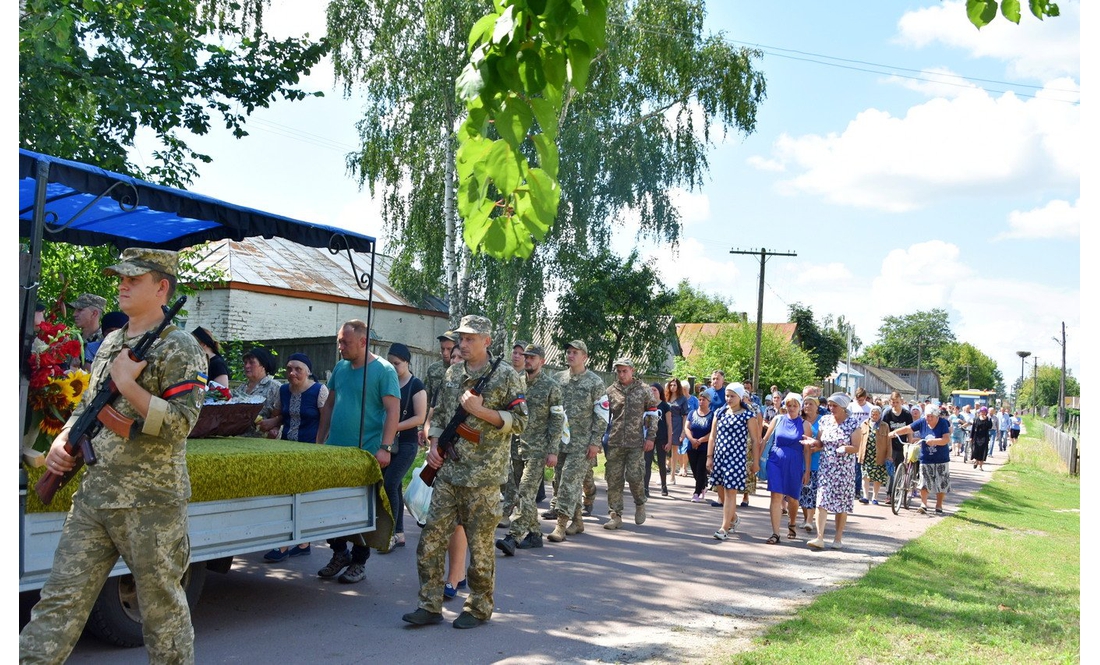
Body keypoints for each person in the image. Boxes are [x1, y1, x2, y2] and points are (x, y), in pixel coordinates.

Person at [21, 248, 206, 664]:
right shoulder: (110, 342)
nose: (121, 284)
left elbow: (181, 424)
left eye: (133, 279)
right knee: (58, 604)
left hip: (151, 503)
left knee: (163, 616)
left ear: (162, 288)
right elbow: (86, 406)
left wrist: (130, 386)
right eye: (120, 277)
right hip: (95, 497)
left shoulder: (180, 348)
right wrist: (63, 439)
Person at [402, 314, 527, 629]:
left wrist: (479, 411)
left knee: (481, 547)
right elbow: (442, 413)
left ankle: (479, 607)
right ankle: (429, 605)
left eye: (471, 338)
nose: (463, 343)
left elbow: (522, 421)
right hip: (448, 473)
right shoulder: (452, 373)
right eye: (461, 338)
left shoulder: (506, 376)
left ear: (487, 340)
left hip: (483, 479)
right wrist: (433, 443)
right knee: (429, 541)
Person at [314, 319, 400, 584]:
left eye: (345, 342)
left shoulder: (384, 370)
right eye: (340, 341)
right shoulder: (340, 368)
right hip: (334, 451)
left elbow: (393, 410)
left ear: (363, 342)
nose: (340, 347)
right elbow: (329, 405)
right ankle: (339, 553)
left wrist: (385, 448)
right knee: (329, 506)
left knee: (360, 510)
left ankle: (359, 560)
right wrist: (319, 442)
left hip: (365, 453)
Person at [259, 352, 329, 561]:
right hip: (287, 449)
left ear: (308, 371)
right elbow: (282, 416)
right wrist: (272, 424)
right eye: (289, 368)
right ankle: (294, 543)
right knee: (285, 496)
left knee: (302, 497)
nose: (292, 373)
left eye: (298, 369)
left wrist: (319, 447)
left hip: (309, 451)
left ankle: (293, 544)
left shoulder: (319, 390)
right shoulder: (283, 390)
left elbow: (326, 420)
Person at [497, 344, 563, 554]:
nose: (527, 360)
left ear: (542, 361)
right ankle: (534, 534)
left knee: (526, 491)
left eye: (532, 357)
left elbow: (557, 421)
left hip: (538, 449)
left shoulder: (551, 387)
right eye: (526, 357)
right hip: (516, 446)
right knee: (518, 492)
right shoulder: (517, 383)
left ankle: (513, 537)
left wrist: (553, 450)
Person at [547, 340, 605, 540]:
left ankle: (560, 526)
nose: (570, 355)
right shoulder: (558, 379)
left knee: (569, 482)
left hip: (582, 442)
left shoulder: (595, 382)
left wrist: (595, 441)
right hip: (560, 441)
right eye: (569, 352)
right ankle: (578, 520)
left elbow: (602, 414)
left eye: (575, 352)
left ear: (585, 357)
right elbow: (552, 410)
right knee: (561, 480)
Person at [602, 357, 658, 529]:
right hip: (615, 441)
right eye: (618, 371)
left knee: (634, 476)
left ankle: (640, 503)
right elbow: (603, 417)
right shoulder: (611, 391)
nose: (621, 374)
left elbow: (652, 415)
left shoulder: (644, 390)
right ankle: (615, 515)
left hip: (636, 442)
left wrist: (650, 437)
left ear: (632, 370)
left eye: (624, 371)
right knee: (613, 479)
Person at [381, 342, 427, 550]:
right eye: (389, 363)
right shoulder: (387, 383)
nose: (392, 367)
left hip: (406, 443)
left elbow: (420, 417)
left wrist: (394, 426)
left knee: (390, 484)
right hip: (388, 442)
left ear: (407, 362)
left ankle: (391, 531)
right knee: (394, 486)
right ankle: (398, 533)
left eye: (396, 363)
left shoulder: (416, 385)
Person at [804, 392, 864, 550]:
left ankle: (838, 538)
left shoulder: (853, 424)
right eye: (829, 405)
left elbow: (857, 447)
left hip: (844, 472)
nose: (831, 408)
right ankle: (819, 537)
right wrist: (813, 443)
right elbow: (821, 442)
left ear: (843, 407)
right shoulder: (825, 421)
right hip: (826, 468)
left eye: (834, 405)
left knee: (841, 505)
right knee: (821, 501)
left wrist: (846, 448)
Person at [707, 383, 759, 540]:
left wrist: (755, 462)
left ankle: (724, 528)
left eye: (732, 396)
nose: (729, 399)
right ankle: (733, 517)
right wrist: (709, 457)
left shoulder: (748, 415)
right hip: (719, 457)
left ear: (740, 397)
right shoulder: (720, 412)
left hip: (736, 458)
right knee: (721, 491)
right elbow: (712, 436)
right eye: (727, 396)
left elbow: (756, 440)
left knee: (731, 492)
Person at [761, 392, 810, 543]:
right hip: (776, 461)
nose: (791, 408)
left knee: (793, 499)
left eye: (795, 405)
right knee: (776, 496)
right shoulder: (778, 419)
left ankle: (792, 522)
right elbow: (765, 440)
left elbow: (807, 450)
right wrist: (758, 460)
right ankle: (775, 533)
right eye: (789, 405)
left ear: (800, 407)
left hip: (795, 464)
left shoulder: (805, 425)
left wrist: (807, 470)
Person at [890, 404, 952, 514]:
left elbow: (946, 439)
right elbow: (908, 428)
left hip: (941, 457)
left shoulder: (942, 423)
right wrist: (895, 432)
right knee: (924, 481)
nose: (928, 419)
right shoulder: (923, 422)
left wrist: (935, 441)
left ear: (936, 416)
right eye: (927, 416)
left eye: (930, 416)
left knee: (941, 482)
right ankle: (923, 504)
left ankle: (939, 505)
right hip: (926, 457)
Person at [499, 340, 530, 528]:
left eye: (522, 353)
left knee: (523, 480)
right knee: (508, 475)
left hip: (528, 437)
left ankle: (520, 515)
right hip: (509, 434)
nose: (517, 356)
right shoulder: (507, 376)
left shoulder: (531, 379)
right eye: (515, 352)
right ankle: (508, 510)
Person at [232, 346, 281, 438]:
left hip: (261, 440)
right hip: (237, 438)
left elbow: (285, 414)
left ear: (263, 366)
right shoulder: (241, 388)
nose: (247, 366)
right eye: (245, 362)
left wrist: (275, 425)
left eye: (251, 362)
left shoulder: (275, 387)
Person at [797, 395, 823, 532]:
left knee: (812, 490)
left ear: (817, 406)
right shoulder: (799, 421)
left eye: (810, 404)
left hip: (816, 460)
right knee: (802, 491)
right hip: (799, 459)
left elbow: (824, 442)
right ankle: (806, 517)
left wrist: (814, 449)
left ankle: (809, 520)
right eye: (805, 403)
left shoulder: (822, 421)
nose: (807, 406)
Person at [685, 389, 716, 502]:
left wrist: (700, 440)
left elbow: (713, 432)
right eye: (700, 399)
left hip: (705, 447)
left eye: (704, 400)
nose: (701, 401)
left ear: (709, 402)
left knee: (700, 469)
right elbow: (687, 427)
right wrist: (692, 440)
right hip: (692, 446)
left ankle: (696, 492)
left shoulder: (712, 415)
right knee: (694, 469)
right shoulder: (692, 413)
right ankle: (703, 485)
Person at [643, 383, 673, 497]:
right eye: (650, 390)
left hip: (662, 438)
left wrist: (670, 441)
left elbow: (669, 425)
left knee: (661, 463)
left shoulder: (665, 406)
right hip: (650, 438)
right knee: (647, 462)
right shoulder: (646, 405)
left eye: (654, 390)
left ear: (660, 391)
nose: (652, 392)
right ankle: (645, 487)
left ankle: (664, 486)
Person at [858, 404, 891, 505]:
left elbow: (889, 442)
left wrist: (889, 455)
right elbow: (859, 439)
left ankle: (875, 497)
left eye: (877, 414)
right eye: (873, 414)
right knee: (865, 475)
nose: (874, 416)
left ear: (880, 415)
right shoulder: (864, 424)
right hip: (866, 454)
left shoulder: (884, 426)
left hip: (880, 455)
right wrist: (858, 453)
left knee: (878, 477)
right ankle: (865, 496)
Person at [664, 378, 689, 488]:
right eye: (671, 385)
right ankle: (663, 475)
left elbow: (685, 415)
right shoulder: (666, 397)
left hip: (677, 424)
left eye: (675, 385)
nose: (672, 387)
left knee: (674, 450)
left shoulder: (682, 399)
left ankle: (672, 476)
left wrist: (683, 431)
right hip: (665, 423)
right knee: (663, 449)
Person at [970, 406, 993, 471]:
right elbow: (973, 428)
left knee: (983, 452)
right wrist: (971, 437)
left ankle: (980, 466)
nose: (982, 413)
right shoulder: (976, 419)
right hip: (976, 437)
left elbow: (990, 426)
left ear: (986, 412)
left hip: (984, 437)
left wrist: (987, 420)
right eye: (981, 411)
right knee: (975, 450)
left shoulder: (988, 419)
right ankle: (976, 461)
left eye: (984, 412)